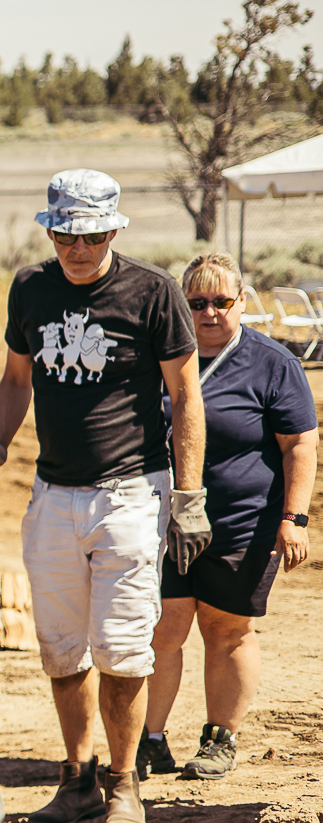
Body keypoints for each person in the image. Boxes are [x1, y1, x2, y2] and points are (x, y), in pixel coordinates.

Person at [0, 169, 206, 823]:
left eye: (92, 234)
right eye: (67, 233)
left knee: (122, 649)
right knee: (62, 649)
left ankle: (124, 787)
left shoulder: (153, 293)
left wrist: (188, 496)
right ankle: (78, 777)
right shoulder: (30, 290)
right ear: (52, 230)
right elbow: (15, 380)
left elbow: (186, 398)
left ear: (113, 230)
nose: (78, 247)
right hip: (52, 494)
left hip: (130, 494)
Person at [138, 256, 317, 781]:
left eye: (222, 301)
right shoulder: (161, 356)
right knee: (162, 628)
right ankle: (150, 740)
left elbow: (301, 445)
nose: (210, 312)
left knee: (226, 630)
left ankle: (220, 738)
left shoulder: (272, 362)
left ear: (243, 301)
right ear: (181, 305)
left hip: (243, 522)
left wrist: (295, 518)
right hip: (162, 521)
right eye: (196, 303)